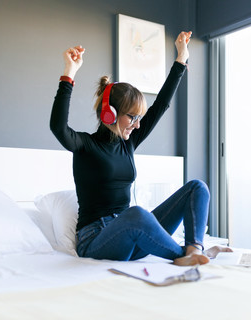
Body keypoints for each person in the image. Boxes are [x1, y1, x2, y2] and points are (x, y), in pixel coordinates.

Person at [50, 31, 230, 266]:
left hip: (132, 235)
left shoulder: (128, 143)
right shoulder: (85, 145)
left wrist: (181, 57)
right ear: (110, 113)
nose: (137, 125)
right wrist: (69, 73)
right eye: (132, 117)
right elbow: (58, 127)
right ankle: (182, 254)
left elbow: (162, 104)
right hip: (95, 239)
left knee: (197, 188)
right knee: (136, 214)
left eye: (139, 118)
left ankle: (195, 248)